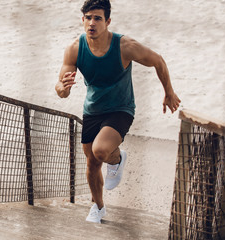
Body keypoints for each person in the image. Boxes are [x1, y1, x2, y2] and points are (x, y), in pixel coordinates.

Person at [55, 0, 181, 224]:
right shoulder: (75, 48)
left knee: (100, 151)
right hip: (92, 110)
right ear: (82, 19)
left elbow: (158, 61)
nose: (92, 23)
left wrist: (169, 92)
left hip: (121, 109)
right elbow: (60, 89)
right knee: (91, 164)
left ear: (108, 21)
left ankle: (116, 158)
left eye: (98, 18)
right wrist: (62, 89)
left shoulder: (125, 46)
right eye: (88, 17)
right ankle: (98, 207)